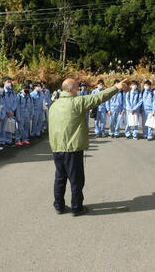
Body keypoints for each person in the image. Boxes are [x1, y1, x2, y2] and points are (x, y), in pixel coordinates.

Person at [49, 78, 128, 216]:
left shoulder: (54, 105)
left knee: (60, 178)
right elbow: (98, 97)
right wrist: (116, 87)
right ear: (70, 89)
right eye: (77, 88)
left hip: (57, 147)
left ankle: (59, 206)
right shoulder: (76, 102)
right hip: (73, 148)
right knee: (76, 179)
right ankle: (76, 207)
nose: (79, 90)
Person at [3, 77, 17, 146]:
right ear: (4, 82)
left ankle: (9, 140)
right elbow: (2, 103)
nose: (9, 83)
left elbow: (15, 101)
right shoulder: (2, 92)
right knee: (4, 127)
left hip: (11, 112)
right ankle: (4, 141)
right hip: (4, 113)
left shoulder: (13, 92)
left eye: (10, 82)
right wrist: (7, 111)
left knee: (10, 126)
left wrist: (12, 110)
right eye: (8, 82)